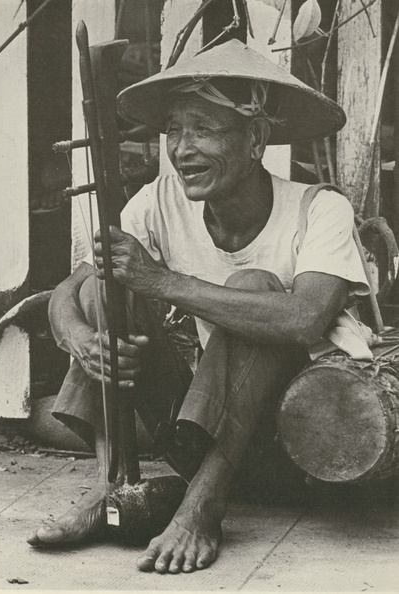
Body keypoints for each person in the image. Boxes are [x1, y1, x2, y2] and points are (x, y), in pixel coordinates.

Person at [27, 39, 370, 573]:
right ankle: (112, 484)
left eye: (203, 130)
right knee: (104, 288)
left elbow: (305, 317)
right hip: (199, 432)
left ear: (255, 138)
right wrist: (79, 337)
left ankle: (201, 505)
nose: (183, 149)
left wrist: (161, 280)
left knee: (255, 285)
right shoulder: (160, 201)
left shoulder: (319, 208)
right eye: (173, 131)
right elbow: (71, 291)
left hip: (296, 443)